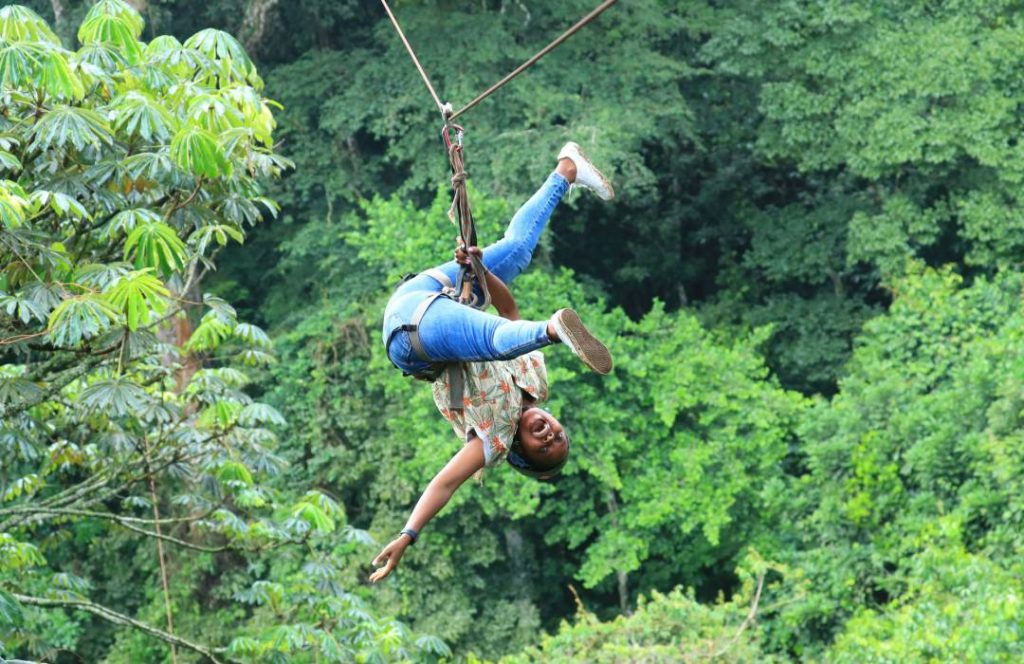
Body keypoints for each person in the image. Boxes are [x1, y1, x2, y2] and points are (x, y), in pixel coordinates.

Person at [370, 142, 614, 583]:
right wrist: (482, 272)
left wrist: (408, 534)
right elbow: (510, 312)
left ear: (520, 450)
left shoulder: (492, 442)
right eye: (558, 435)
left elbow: (444, 484)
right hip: (426, 296)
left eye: (544, 445)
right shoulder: (536, 382)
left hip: (412, 336)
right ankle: (567, 168)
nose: (549, 433)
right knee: (516, 252)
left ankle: (554, 331)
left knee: (498, 342)